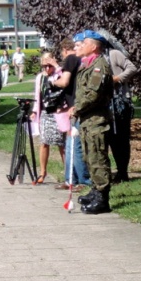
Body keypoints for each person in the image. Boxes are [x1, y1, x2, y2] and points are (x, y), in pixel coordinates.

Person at [70, 31, 114, 214]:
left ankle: (103, 199)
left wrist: (77, 107)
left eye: (83, 43)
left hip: (96, 119)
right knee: (89, 156)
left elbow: (93, 93)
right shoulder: (87, 64)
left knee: (97, 157)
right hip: (88, 119)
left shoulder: (99, 66)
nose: (77, 47)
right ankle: (96, 190)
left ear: (94, 46)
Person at [54, 37, 91, 191]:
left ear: (64, 50)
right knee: (70, 144)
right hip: (73, 106)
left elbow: (64, 82)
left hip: (76, 107)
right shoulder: (79, 60)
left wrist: (51, 81)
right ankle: (70, 179)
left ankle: (83, 180)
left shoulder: (70, 58)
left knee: (75, 145)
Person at [30, 53, 67, 182]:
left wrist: (56, 66)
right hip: (46, 112)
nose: (47, 69)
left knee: (62, 143)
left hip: (59, 112)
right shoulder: (40, 77)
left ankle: (68, 173)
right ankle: (42, 172)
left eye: (49, 65)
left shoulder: (58, 74)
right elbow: (37, 95)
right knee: (44, 141)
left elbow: (65, 80)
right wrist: (35, 111)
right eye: (44, 66)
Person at [107, 43, 138, 183]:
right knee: (110, 139)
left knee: (121, 139)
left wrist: (117, 78)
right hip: (106, 103)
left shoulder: (113, 54)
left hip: (119, 102)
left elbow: (131, 68)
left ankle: (123, 171)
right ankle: (113, 172)